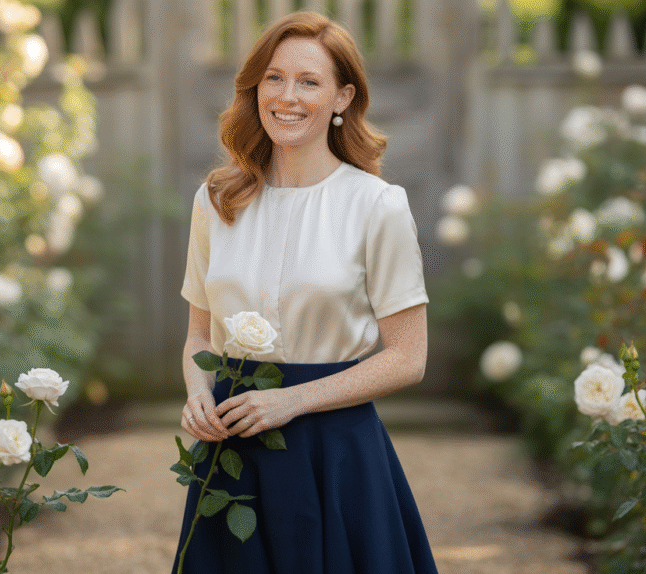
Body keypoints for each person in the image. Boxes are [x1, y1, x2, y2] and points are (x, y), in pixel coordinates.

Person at [174, 10, 437, 574]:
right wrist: (198, 394)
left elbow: (408, 359)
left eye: (309, 81)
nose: (286, 96)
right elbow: (199, 334)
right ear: (255, 88)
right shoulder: (215, 202)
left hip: (334, 454)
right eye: (273, 77)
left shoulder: (377, 205)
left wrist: (291, 399)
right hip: (234, 449)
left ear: (343, 98)